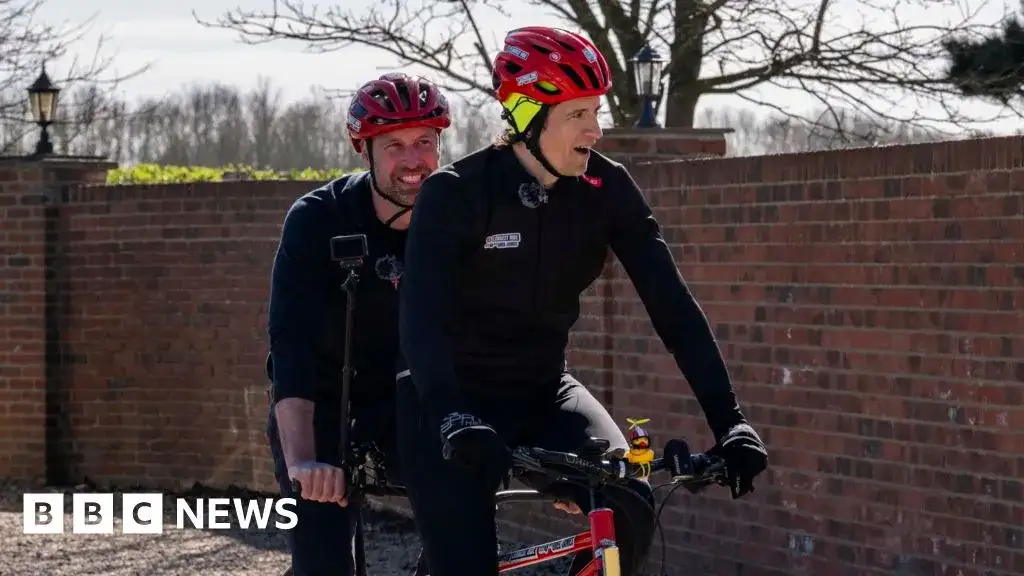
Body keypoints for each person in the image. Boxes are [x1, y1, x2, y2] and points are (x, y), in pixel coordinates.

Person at [395, 26, 768, 576]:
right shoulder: (456, 193)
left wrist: (730, 421)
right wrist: (451, 415)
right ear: (526, 113)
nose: (595, 130)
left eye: (596, 112)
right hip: (450, 399)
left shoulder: (607, 189)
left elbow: (674, 308)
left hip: (545, 389)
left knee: (631, 499)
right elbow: (419, 319)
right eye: (578, 115)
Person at [264, 71, 451, 576]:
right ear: (361, 149)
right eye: (394, 146)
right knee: (323, 562)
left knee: (462, 540)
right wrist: (305, 461)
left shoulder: (460, 217)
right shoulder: (317, 219)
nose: (413, 161)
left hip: (413, 401)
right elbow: (290, 344)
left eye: (425, 142)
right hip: (327, 403)